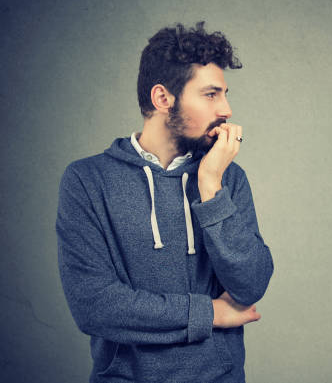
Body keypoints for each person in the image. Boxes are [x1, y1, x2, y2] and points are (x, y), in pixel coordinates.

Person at [56, 21, 274, 383]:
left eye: (225, 94)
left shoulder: (226, 177)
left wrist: (209, 186)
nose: (227, 109)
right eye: (210, 95)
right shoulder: (87, 181)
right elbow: (95, 306)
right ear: (162, 99)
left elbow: (251, 287)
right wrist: (210, 313)